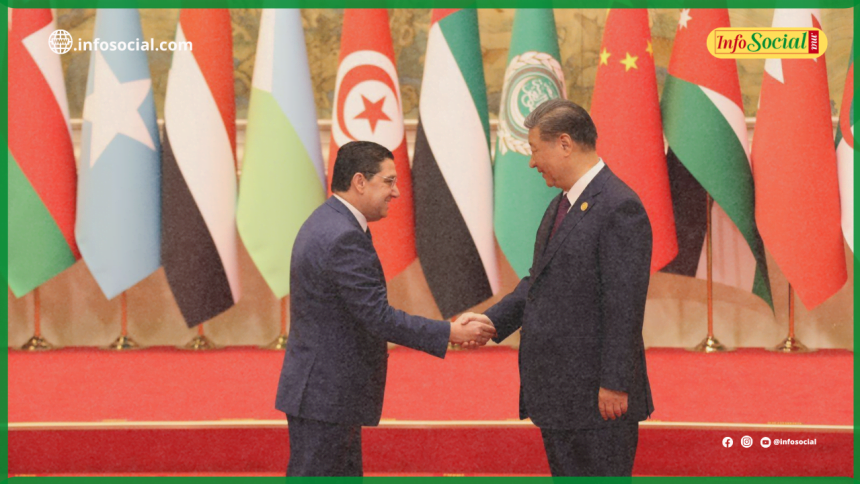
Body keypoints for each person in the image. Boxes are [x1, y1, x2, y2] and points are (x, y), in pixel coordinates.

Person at [275, 140, 496, 477]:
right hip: (327, 394)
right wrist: (450, 331)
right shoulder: (342, 236)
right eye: (389, 181)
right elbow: (378, 317)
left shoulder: (331, 221)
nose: (396, 192)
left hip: (326, 391)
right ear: (360, 181)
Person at [459, 99, 654, 476]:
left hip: (599, 399)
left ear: (564, 143)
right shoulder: (560, 205)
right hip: (562, 394)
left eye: (535, 150)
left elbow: (624, 304)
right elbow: (539, 281)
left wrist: (615, 383)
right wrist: (491, 322)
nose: (532, 162)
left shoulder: (619, 206)